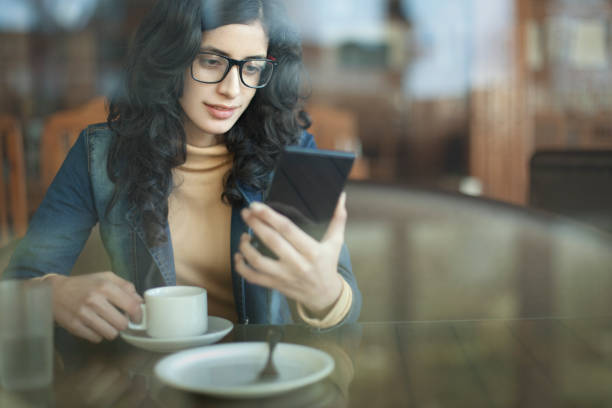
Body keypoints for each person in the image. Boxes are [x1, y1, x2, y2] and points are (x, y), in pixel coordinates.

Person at [3, 0, 361, 343]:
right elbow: (19, 279)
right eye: (210, 61)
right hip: (151, 382)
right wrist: (51, 292)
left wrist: (325, 293)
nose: (231, 90)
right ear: (170, 56)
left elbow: (347, 310)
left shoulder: (293, 155)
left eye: (251, 67)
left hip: (261, 379)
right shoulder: (100, 155)